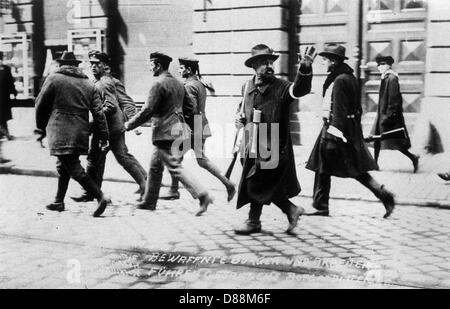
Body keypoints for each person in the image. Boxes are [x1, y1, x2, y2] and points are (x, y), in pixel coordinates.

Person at [305, 44, 395, 219]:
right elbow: (358, 109)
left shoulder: (339, 80)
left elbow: (338, 110)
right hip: (347, 129)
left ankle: (384, 195)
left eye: (325, 60)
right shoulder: (349, 77)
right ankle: (321, 205)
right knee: (324, 166)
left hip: (336, 130)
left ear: (332, 61)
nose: (323, 63)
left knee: (353, 169)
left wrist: (333, 137)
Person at [233, 44, 315, 235]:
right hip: (252, 144)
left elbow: (300, 90)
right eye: (263, 63)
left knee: (257, 181)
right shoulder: (246, 87)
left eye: (270, 61)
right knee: (261, 183)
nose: (269, 65)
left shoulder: (283, 87)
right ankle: (291, 210)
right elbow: (242, 111)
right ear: (254, 66)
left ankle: (254, 222)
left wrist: (304, 68)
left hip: (274, 147)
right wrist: (239, 118)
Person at [124, 52, 214, 216]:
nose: (149, 67)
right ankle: (149, 201)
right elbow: (191, 108)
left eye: (151, 64)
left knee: (173, 167)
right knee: (155, 166)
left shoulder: (158, 83)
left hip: (164, 132)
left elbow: (147, 110)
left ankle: (202, 194)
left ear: (158, 65)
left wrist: (129, 124)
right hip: (178, 130)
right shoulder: (178, 83)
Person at [35, 51, 111, 217]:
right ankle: (58, 201)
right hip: (80, 131)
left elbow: (40, 103)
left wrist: (40, 127)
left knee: (73, 167)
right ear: (76, 66)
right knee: (63, 165)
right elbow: (99, 113)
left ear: (62, 65)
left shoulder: (54, 79)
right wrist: (105, 136)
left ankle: (100, 196)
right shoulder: (89, 83)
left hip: (60, 130)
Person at [71, 51, 147, 202]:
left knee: (97, 158)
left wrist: (94, 119)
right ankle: (145, 183)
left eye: (96, 64)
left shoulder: (105, 82)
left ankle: (91, 192)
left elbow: (118, 104)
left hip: (107, 127)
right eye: (91, 64)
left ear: (105, 66)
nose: (93, 67)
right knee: (118, 157)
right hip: (112, 126)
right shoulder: (101, 81)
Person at [159, 57, 236, 202]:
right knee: (200, 160)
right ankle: (228, 183)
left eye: (181, 68)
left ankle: (175, 191)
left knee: (174, 158)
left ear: (188, 70)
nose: (179, 71)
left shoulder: (189, 86)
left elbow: (191, 109)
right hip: (200, 125)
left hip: (192, 127)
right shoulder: (199, 84)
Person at [369, 55, 419, 173]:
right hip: (382, 113)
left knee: (396, 142)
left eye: (382, 64)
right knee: (376, 138)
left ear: (388, 65)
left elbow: (394, 99)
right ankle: (374, 164)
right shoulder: (385, 77)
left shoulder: (392, 78)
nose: (379, 67)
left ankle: (413, 157)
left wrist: (388, 116)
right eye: (378, 65)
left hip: (390, 116)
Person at [0, 51, 17, 163]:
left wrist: (13, 92)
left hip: (4, 98)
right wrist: (14, 92)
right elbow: (10, 82)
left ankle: (5, 133)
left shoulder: (6, 68)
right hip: (4, 98)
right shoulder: (5, 68)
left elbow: (10, 82)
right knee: (2, 118)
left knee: (3, 117)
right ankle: (6, 134)